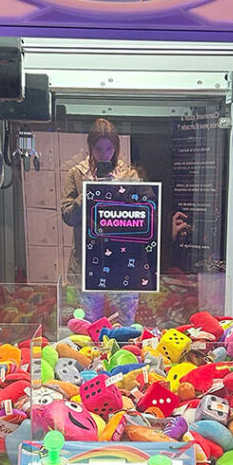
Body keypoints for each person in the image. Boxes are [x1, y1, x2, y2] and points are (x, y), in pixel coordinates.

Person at [60, 118, 142, 324]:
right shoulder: (77, 174)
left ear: (116, 148)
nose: (104, 154)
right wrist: (89, 192)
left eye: (109, 149)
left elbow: (142, 215)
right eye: (98, 149)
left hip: (122, 259)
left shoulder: (129, 175)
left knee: (126, 322)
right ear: (90, 147)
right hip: (88, 259)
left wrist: (119, 191)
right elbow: (68, 216)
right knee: (89, 323)